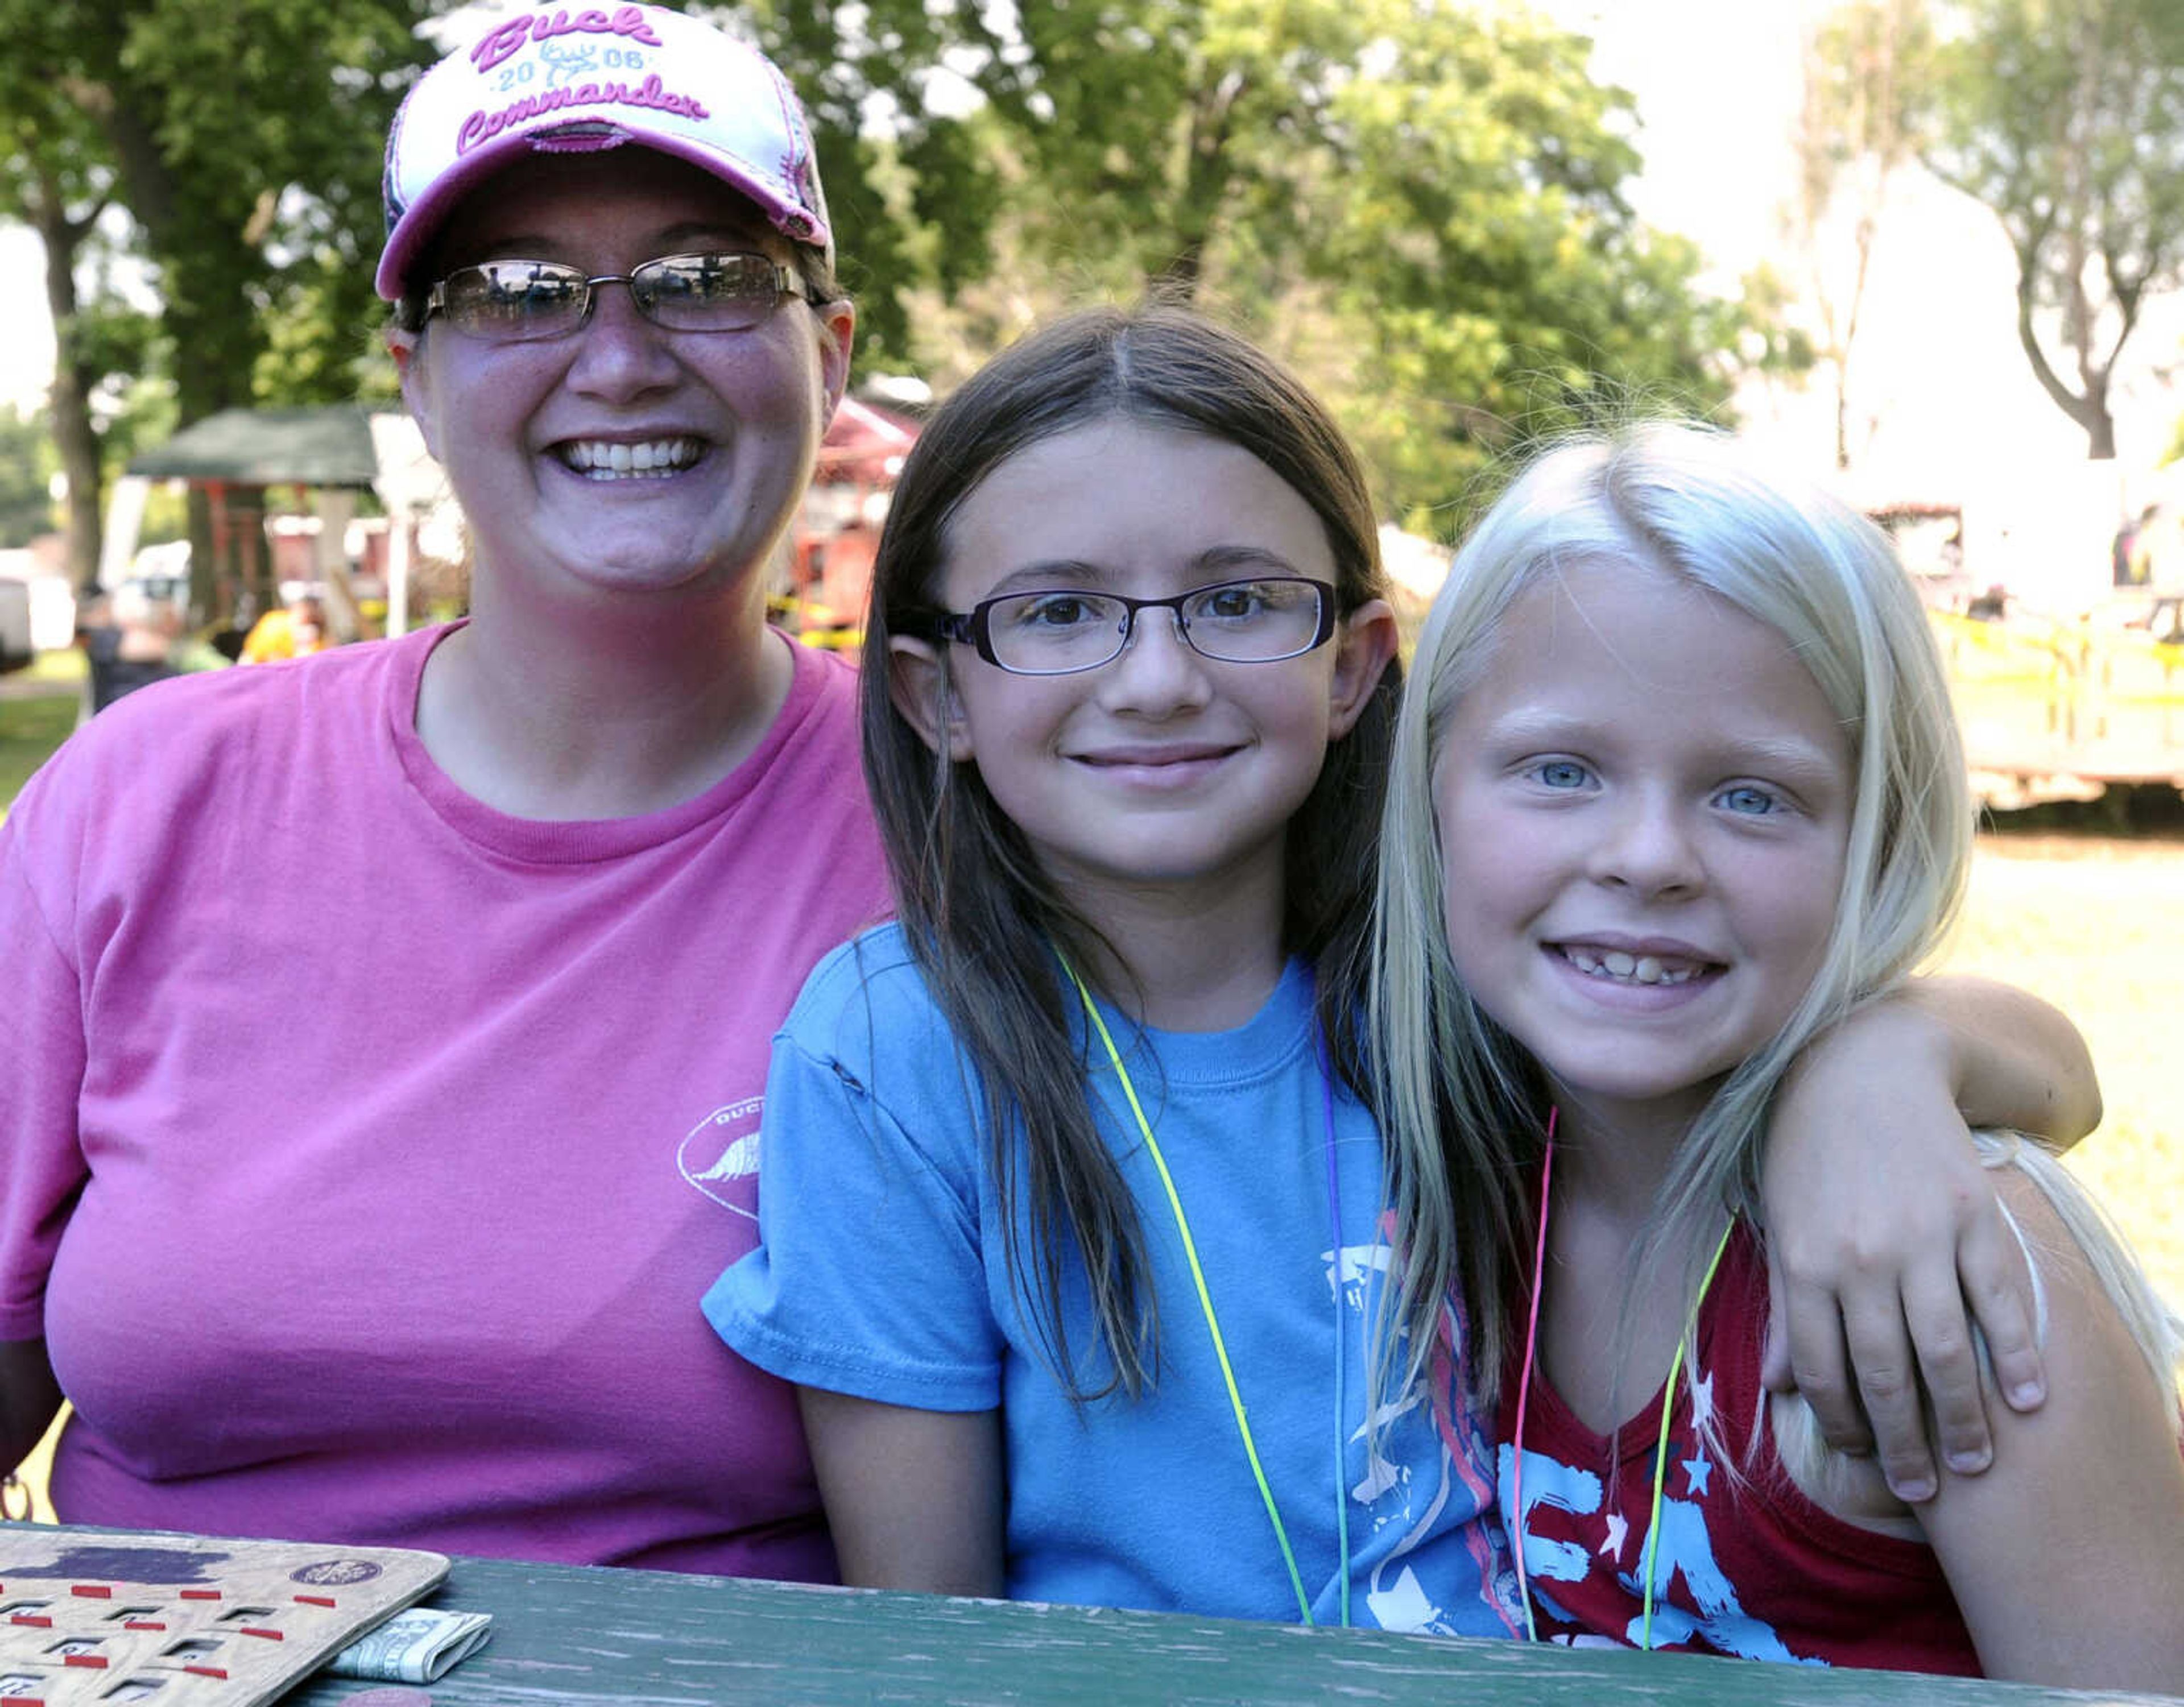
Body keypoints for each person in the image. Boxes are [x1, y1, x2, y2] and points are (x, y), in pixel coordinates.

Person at [703, 312, 2102, 1624]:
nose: (1155, 679)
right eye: (1059, 614)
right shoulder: (889, 1056)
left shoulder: (1467, 983)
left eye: (1237, 599)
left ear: (1360, 665)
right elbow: (927, 1632)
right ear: (937, 692)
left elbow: (2058, 1068)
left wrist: (1884, 1060)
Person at [1, 5, 884, 1577]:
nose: (618, 359)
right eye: (519, 294)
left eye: (704, 278)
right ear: (414, 379)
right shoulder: (139, 799)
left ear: (827, 357)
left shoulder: (976, 822)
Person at [1370, 422, 2183, 1686]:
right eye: (1560, 769)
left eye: (1751, 794)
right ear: (1428, 791)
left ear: (1884, 827)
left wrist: (1896, 1048)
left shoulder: (1946, 1269)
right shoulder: (1417, 1185)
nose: (1648, 857)